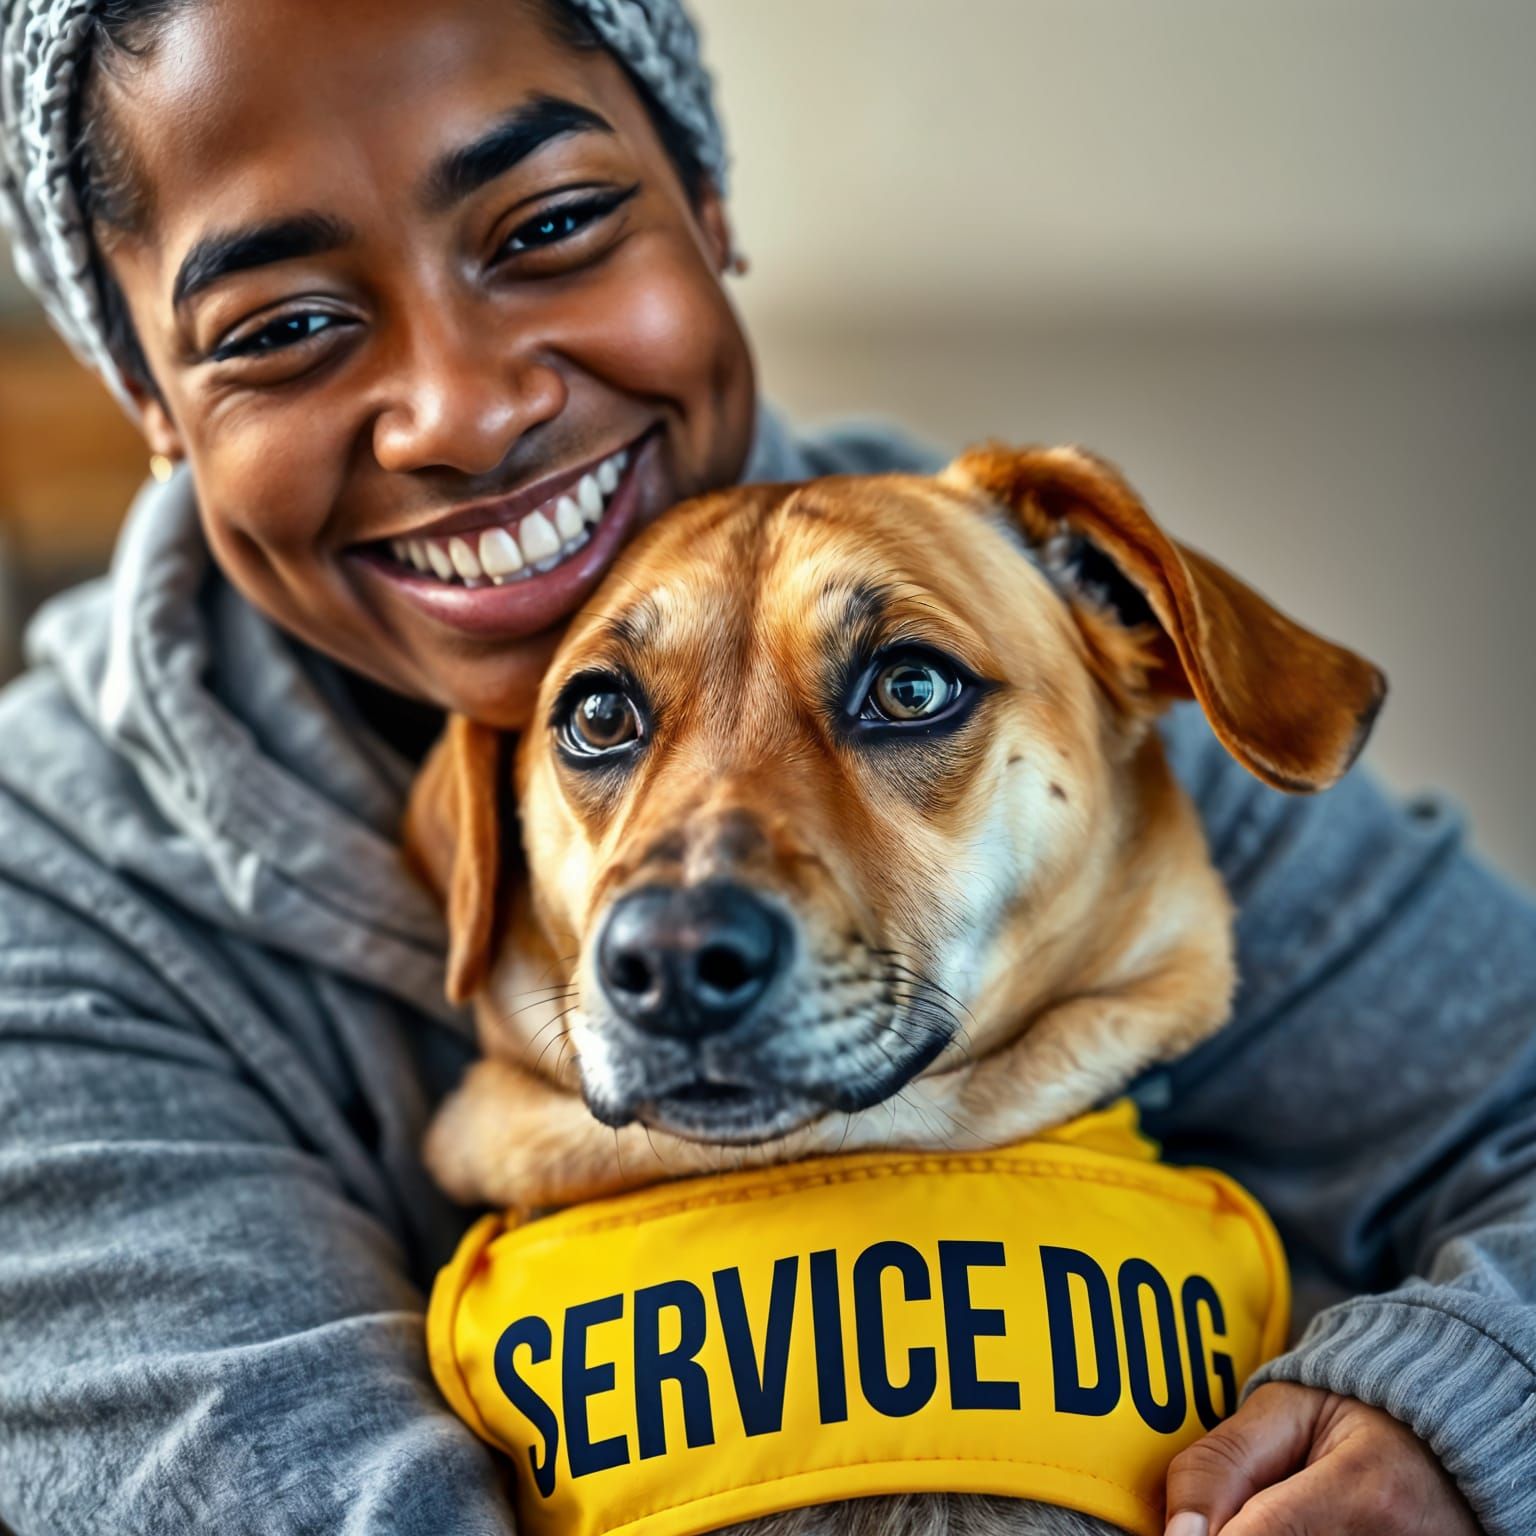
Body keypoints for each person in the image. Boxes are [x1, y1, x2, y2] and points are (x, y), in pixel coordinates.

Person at [0, 2, 1530, 1533]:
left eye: (551, 224)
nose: (465, 415)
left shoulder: (1042, 639)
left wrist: (1453, 1411)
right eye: (280, 324)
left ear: (708, 205)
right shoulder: (39, 912)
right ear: (145, 388)